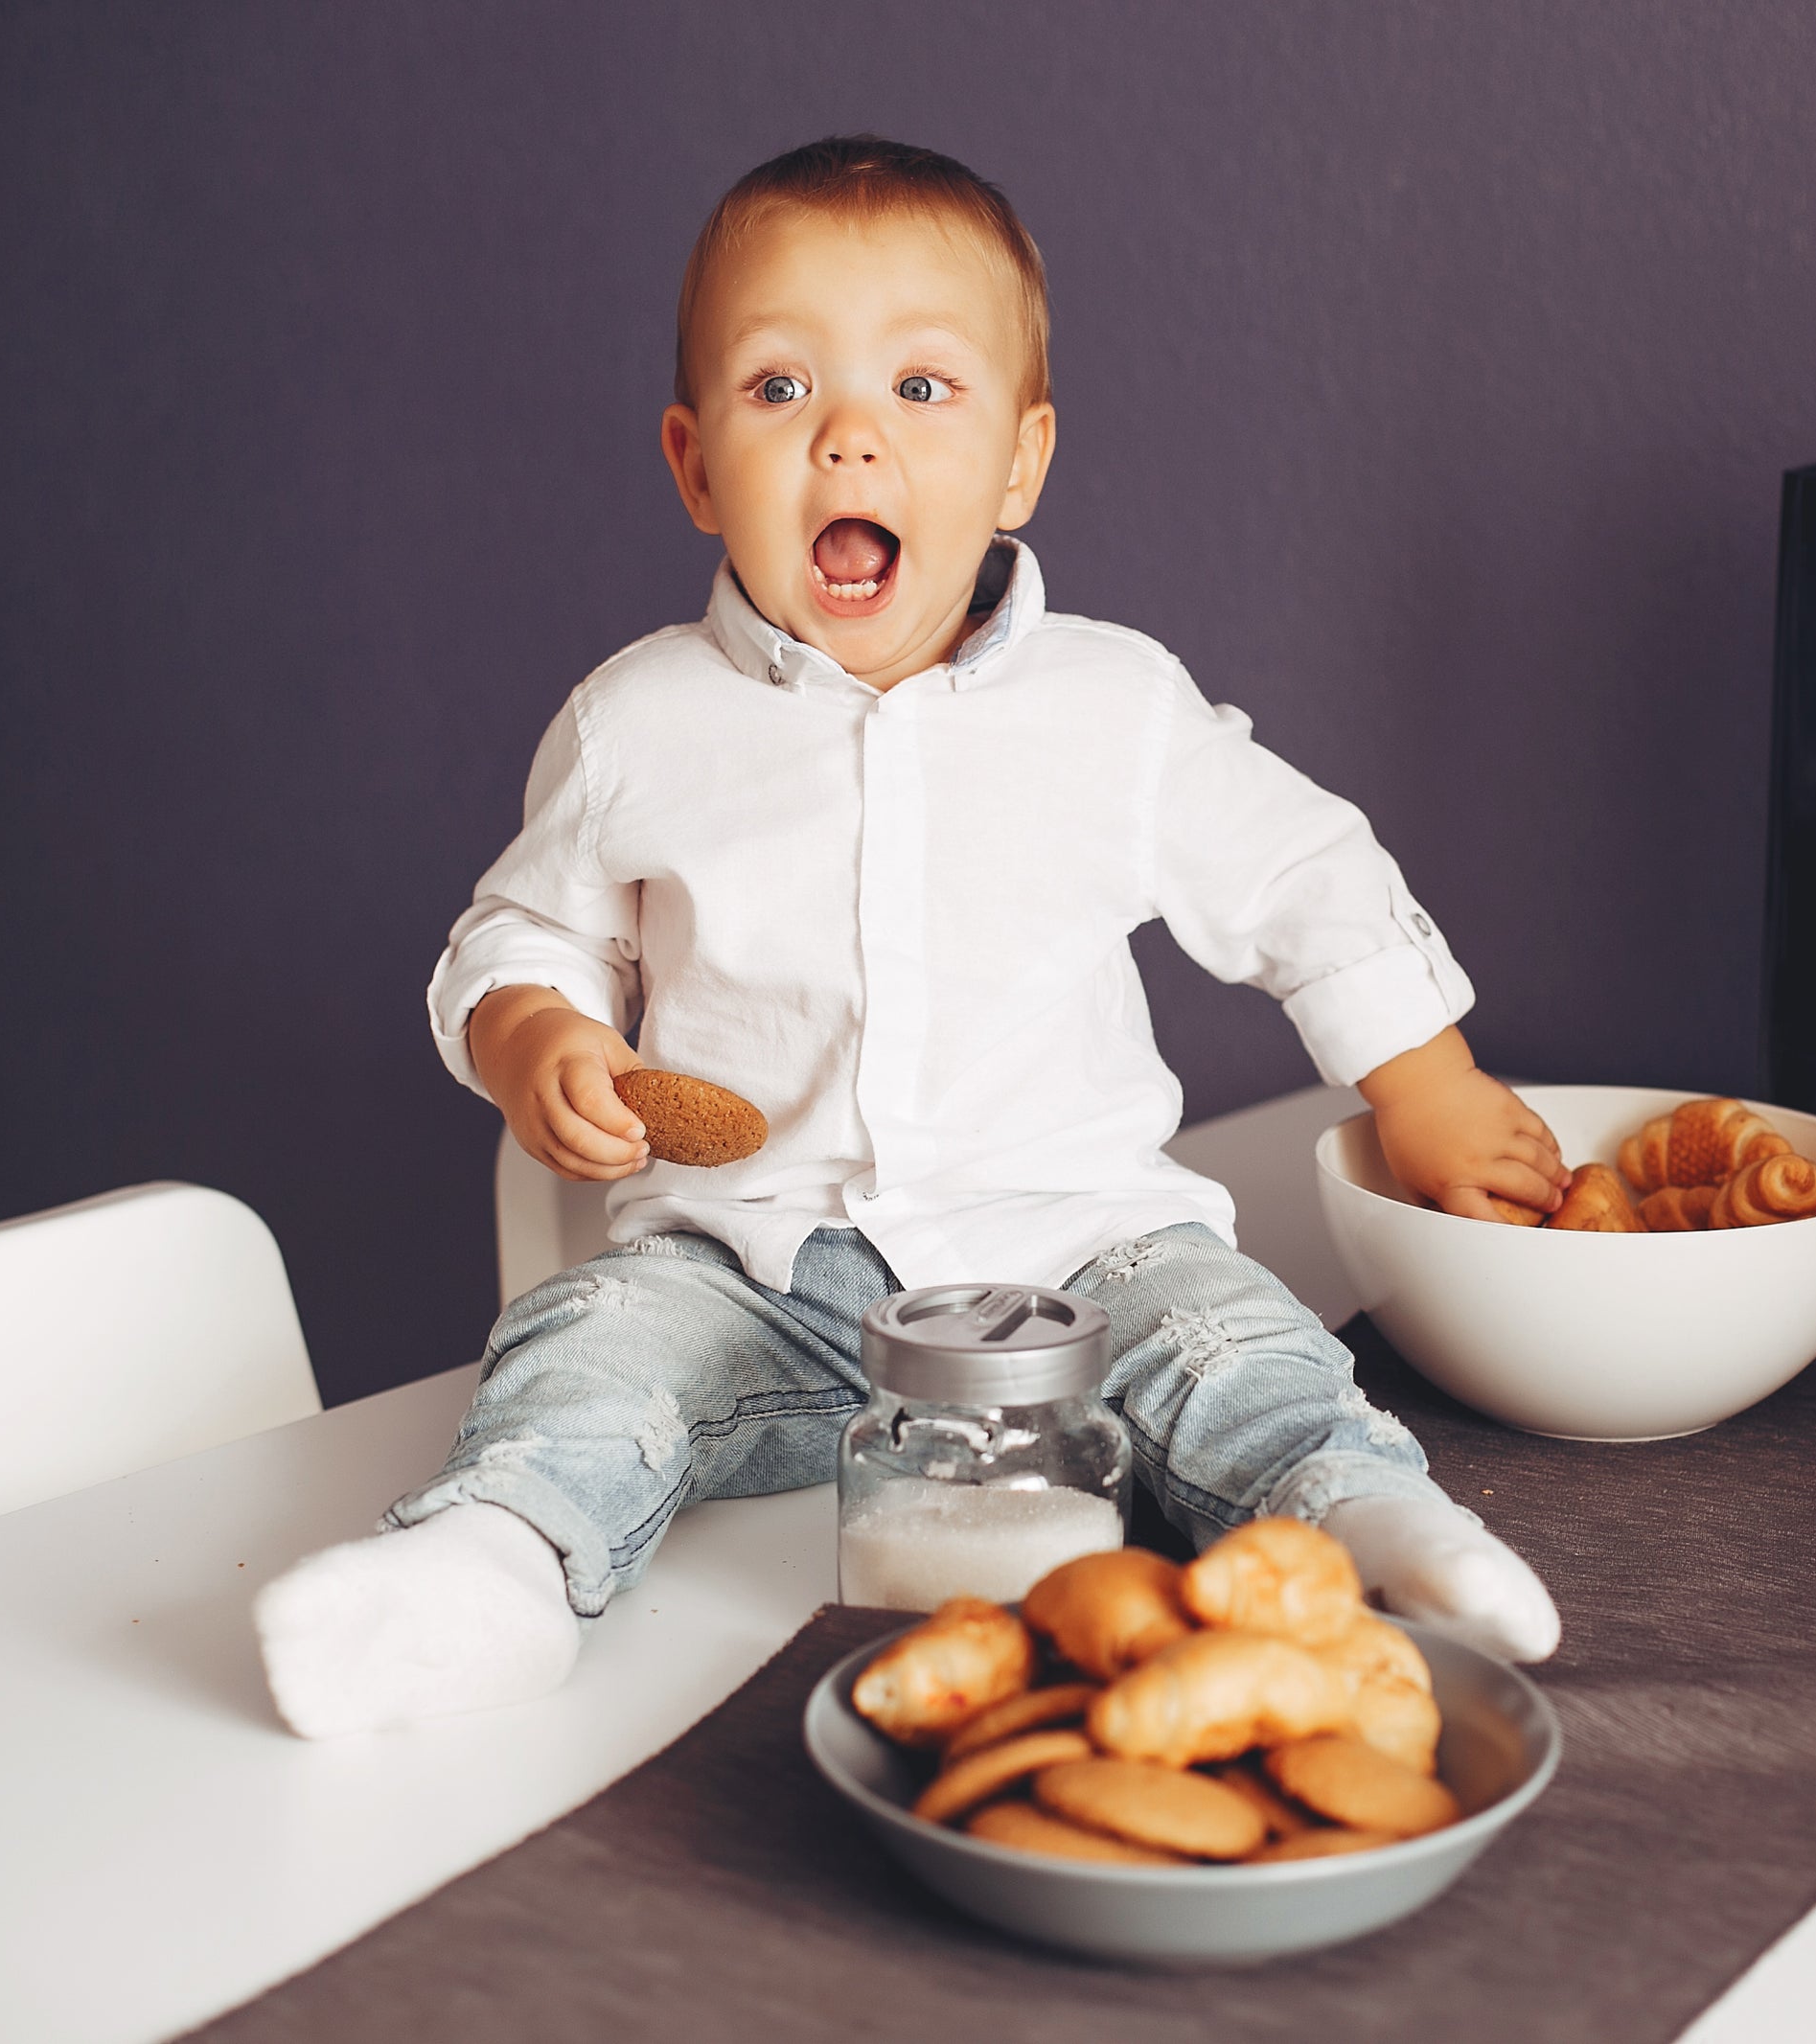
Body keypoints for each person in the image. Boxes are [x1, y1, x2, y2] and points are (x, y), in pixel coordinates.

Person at [256, 136, 1568, 1739]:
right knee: (586, 1350)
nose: (853, 439)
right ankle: (493, 1564)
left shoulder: (1115, 707)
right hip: (745, 1270)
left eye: (924, 392)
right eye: (781, 390)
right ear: (691, 463)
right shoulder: (639, 723)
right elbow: (519, 937)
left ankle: (1375, 1533)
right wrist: (535, 1036)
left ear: (1022, 463)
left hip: (1081, 1260)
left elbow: (1303, 873)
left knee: (1238, 1343)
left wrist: (1422, 1079)